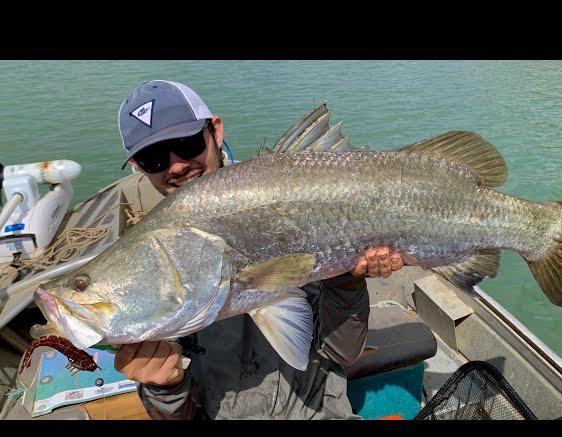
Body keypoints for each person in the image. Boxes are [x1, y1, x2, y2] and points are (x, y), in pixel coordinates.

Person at [114, 80, 404, 419]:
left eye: (186, 142)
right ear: (137, 166)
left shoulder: (286, 203)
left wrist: (347, 279)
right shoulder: (150, 272)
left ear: (215, 131)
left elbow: (343, 353)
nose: (176, 165)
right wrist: (164, 388)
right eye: (153, 158)